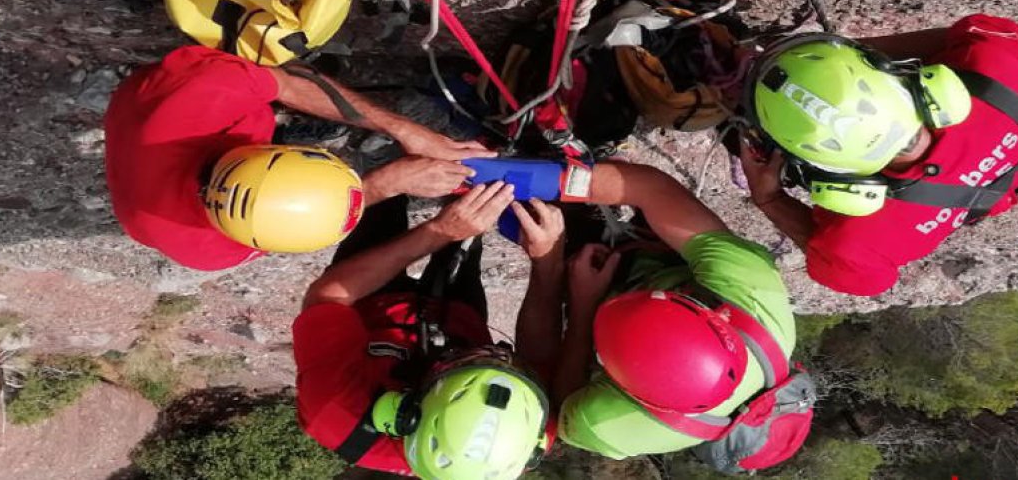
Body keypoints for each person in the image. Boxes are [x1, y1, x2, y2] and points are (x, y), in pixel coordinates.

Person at [506, 161, 803, 467]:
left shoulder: (623, 426)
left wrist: (553, 270)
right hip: (665, 261)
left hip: (608, 295)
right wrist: (542, 178)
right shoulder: (755, 298)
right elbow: (650, 188)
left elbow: (550, 396)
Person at [738, 14, 1018, 296]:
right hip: (992, 188)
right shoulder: (995, 71)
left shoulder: (997, 71)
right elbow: (861, 280)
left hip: (992, 181)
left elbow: (977, 33)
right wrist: (771, 199)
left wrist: (855, 53)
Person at [103, 45, 494, 270]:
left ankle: (301, 126)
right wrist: (386, 183)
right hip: (153, 147)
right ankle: (299, 129)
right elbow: (311, 220)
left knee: (279, 69)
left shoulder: (205, 93)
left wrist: (404, 129)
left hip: (167, 102)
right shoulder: (213, 247)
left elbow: (287, 80)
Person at [293, 180, 565, 478]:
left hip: (368, 304)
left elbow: (328, 297)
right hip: (458, 319)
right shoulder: (521, 430)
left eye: (468, 358)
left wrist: (439, 231)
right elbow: (539, 355)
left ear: (403, 405)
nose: (495, 350)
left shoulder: (336, 412)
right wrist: (548, 260)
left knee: (379, 198)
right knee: (468, 227)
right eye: (502, 358)